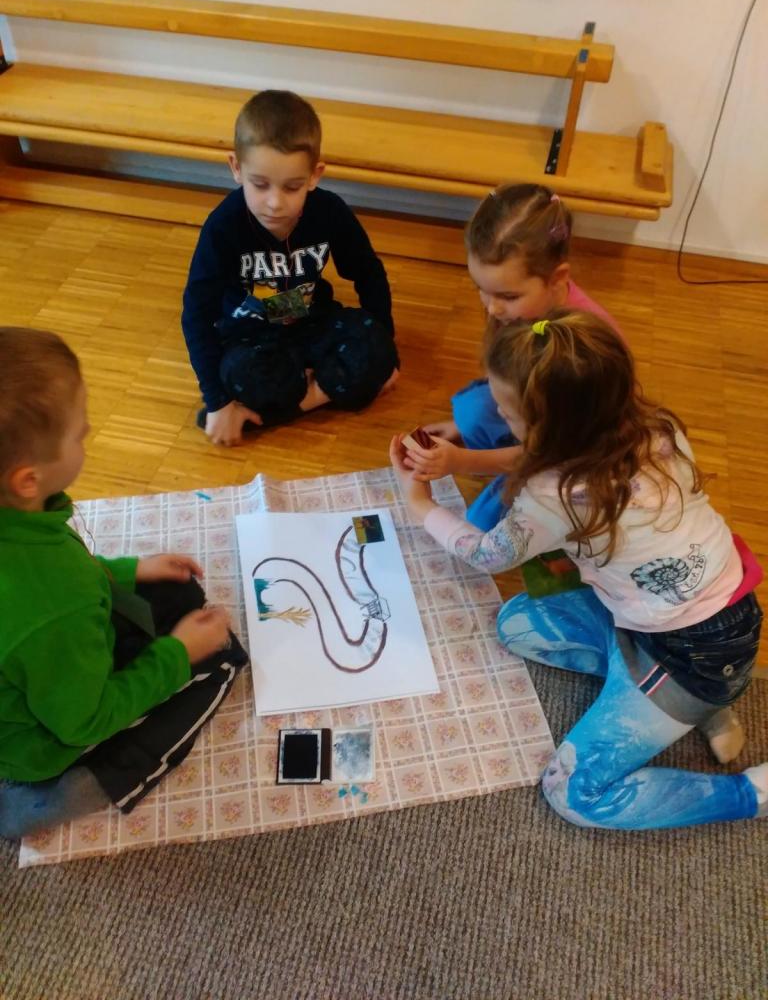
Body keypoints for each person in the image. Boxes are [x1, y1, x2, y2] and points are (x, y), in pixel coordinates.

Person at [391, 311, 765, 830]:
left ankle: (748, 789)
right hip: (699, 610)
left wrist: (418, 503)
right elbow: (544, 456)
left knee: (572, 791)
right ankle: (672, 699)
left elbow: (488, 555)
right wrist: (461, 461)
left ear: (551, 428)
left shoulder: (555, 496)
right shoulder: (657, 426)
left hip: (696, 655)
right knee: (516, 624)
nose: (498, 419)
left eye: (507, 413)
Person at [0, 328, 248, 838]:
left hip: (44, 668)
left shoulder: (23, 526)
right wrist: (179, 655)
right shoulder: (54, 605)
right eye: (78, 433)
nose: (90, 429)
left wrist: (128, 570)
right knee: (220, 660)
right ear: (27, 480)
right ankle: (57, 794)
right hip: (43, 742)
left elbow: (57, 571)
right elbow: (84, 719)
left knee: (178, 596)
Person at [182, 89, 399, 447]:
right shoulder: (223, 227)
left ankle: (281, 408)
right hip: (250, 333)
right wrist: (217, 401)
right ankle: (323, 388)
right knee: (242, 375)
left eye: (292, 187)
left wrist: (386, 351)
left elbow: (368, 273)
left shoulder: (330, 211)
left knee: (376, 344)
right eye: (260, 184)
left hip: (313, 319)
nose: (274, 203)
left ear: (314, 175)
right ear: (236, 168)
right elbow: (196, 313)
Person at [404, 183, 620, 531]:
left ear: (558, 278)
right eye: (481, 289)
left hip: (577, 456)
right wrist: (463, 435)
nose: (492, 308)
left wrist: (463, 460)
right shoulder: (519, 307)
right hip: (545, 422)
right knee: (470, 412)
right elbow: (508, 385)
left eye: (507, 296)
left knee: (480, 525)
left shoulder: (578, 353)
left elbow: (555, 452)